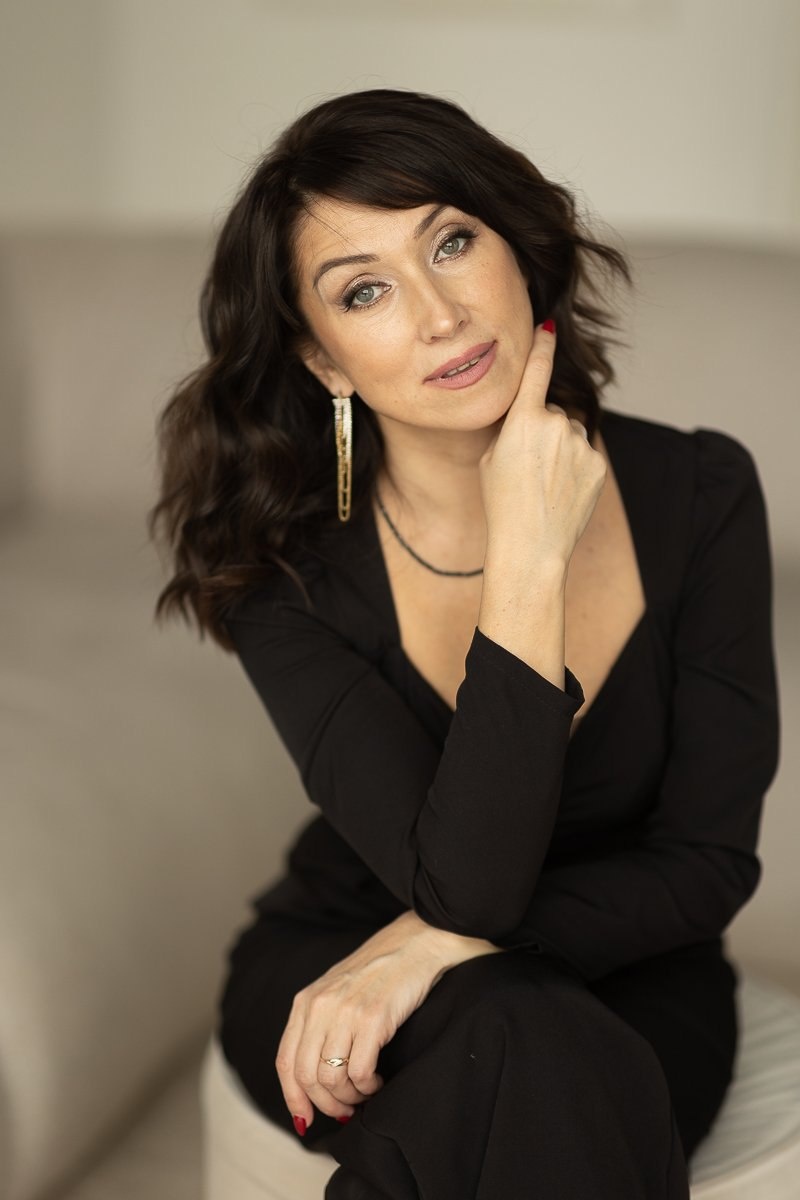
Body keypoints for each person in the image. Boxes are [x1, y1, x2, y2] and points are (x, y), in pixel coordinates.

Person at [149, 89, 779, 1199]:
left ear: (517, 249)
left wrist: (433, 948)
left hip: (626, 971)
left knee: (525, 1043)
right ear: (324, 360)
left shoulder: (701, 491)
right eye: (365, 290)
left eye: (450, 241)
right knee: (514, 1044)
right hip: (343, 954)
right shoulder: (283, 574)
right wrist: (528, 556)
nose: (439, 315)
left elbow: (707, 863)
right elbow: (468, 884)